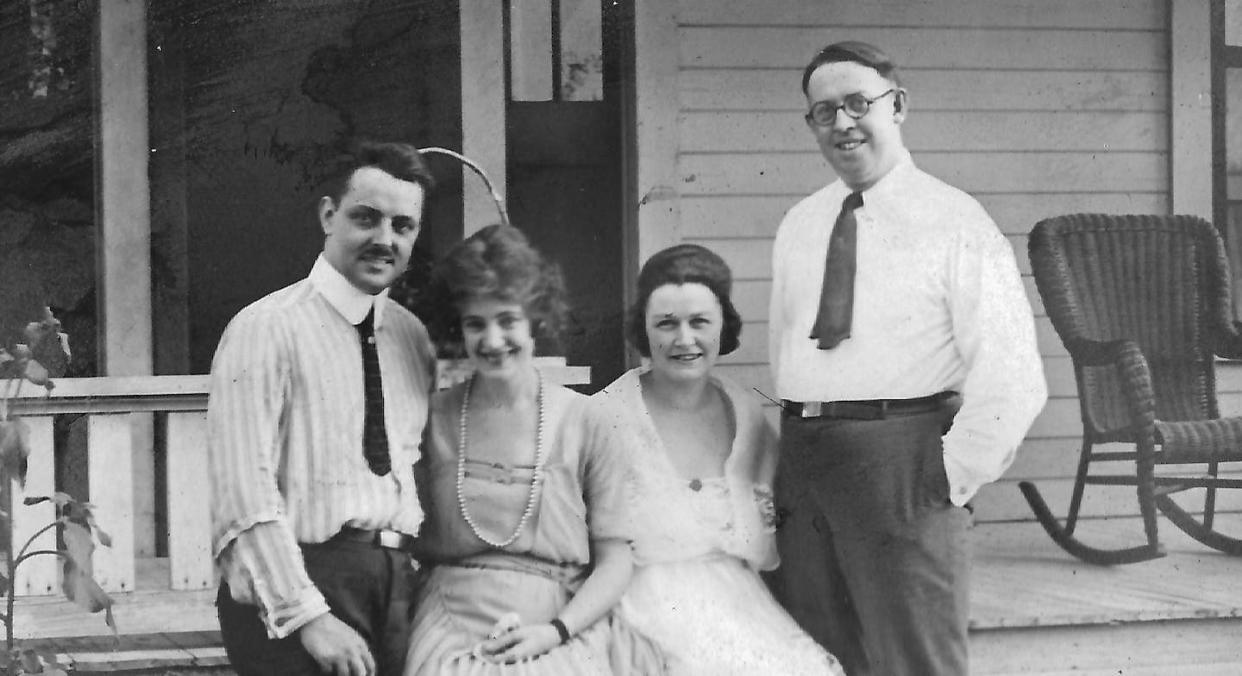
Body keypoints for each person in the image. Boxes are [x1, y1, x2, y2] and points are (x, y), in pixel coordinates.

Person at [768, 41, 1047, 676]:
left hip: (905, 463)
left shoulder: (955, 221)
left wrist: (947, 475)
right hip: (805, 464)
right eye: (823, 111)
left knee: (916, 663)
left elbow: (1012, 374)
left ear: (898, 106)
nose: (842, 123)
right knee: (818, 655)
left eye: (858, 103)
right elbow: (781, 355)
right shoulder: (800, 224)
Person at [208, 140, 437, 676]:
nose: (385, 239)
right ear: (329, 215)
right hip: (303, 584)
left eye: (403, 226)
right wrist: (307, 616)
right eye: (366, 218)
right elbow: (243, 491)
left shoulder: (411, 336)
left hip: (397, 589)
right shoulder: (266, 327)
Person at [405, 224, 663, 675]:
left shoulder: (588, 421)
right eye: (475, 324)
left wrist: (556, 631)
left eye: (507, 320)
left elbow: (616, 563)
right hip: (451, 618)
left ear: (535, 320)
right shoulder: (434, 418)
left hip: (558, 618)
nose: (492, 340)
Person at [596, 244, 844, 675]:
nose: (684, 339)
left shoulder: (744, 411)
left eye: (700, 322)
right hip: (634, 606)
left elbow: (780, 524)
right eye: (666, 324)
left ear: (722, 327)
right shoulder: (607, 415)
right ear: (644, 330)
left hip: (737, 600)